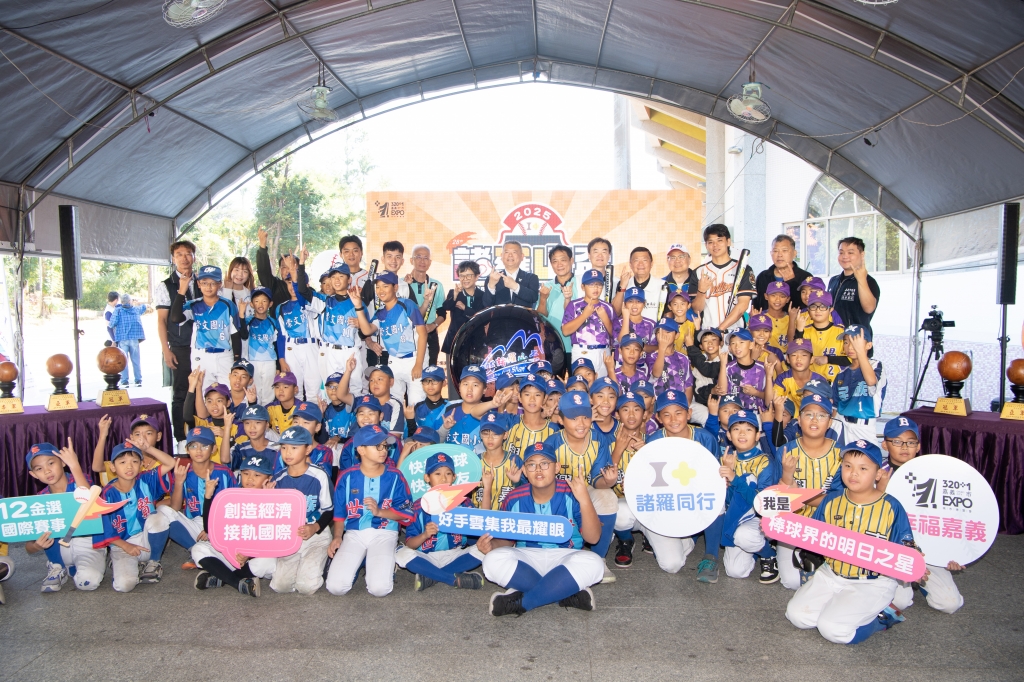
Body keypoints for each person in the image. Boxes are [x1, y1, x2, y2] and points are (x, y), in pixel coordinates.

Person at [785, 440, 916, 644]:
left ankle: (883, 618)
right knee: (798, 617)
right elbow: (813, 534)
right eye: (848, 466)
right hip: (832, 573)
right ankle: (842, 605)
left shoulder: (891, 506)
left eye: (863, 468)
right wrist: (779, 525)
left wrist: (915, 561)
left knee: (833, 630)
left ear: (878, 474)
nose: (853, 473)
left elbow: (905, 545)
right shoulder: (831, 500)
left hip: (872, 581)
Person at [480, 440, 605, 616]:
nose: (538, 469)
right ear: (524, 471)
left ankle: (523, 602)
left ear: (557, 467)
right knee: (491, 560)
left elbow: (593, 538)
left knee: (595, 563)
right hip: (527, 558)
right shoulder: (514, 498)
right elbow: (507, 540)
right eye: (531, 465)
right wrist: (491, 546)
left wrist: (584, 499)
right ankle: (563, 592)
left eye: (545, 463)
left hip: (566, 556)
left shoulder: (572, 493)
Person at [880, 416, 965, 615]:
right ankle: (904, 580)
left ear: (918, 446)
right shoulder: (877, 473)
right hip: (894, 548)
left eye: (911, 442)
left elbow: (949, 516)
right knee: (899, 601)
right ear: (885, 445)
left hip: (928, 547)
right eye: (897, 441)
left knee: (950, 604)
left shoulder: (933, 474)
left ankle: (922, 579)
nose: (904, 447)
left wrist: (954, 551)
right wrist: (880, 491)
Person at [326, 424, 415, 597]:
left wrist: (380, 512)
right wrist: (337, 537)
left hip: (385, 532)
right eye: (377, 446)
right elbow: (339, 513)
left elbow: (407, 512)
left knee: (379, 589)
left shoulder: (395, 476)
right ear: (361, 450)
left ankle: (386, 556)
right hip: (354, 533)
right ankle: (365, 560)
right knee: (336, 587)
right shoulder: (347, 476)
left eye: (385, 446)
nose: (384, 450)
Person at [544, 392, 620, 584]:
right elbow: (543, 484)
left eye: (585, 417)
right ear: (561, 420)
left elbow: (597, 480)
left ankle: (599, 558)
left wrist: (608, 482)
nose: (581, 423)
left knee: (607, 496)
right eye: (573, 418)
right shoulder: (552, 443)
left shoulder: (598, 439)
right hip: (559, 496)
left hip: (586, 492)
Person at [776, 394, 842, 590]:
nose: (814, 420)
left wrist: (800, 495)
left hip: (830, 526)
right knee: (792, 581)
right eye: (809, 414)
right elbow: (777, 498)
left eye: (821, 415)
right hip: (793, 524)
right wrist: (787, 476)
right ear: (799, 420)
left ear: (830, 422)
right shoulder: (785, 450)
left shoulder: (842, 454)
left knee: (835, 578)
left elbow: (840, 501)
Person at [93, 438, 177, 592]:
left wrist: (148, 448)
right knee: (124, 585)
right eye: (122, 462)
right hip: (122, 544)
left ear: (141, 463)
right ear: (112, 467)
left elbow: (170, 463)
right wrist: (125, 545)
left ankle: (154, 562)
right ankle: (122, 563)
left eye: (134, 461)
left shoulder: (145, 479)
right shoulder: (107, 493)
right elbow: (103, 526)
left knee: (159, 516)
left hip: (147, 539)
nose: (129, 466)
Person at [190, 450, 276, 597]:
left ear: (268, 478)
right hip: (232, 552)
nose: (250, 479)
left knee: (269, 562)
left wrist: (249, 553)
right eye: (246, 473)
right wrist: (208, 496)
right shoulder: (231, 497)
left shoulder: (274, 498)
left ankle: (221, 577)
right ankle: (238, 583)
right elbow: (209, 529)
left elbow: (271, 537)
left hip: (255, 555)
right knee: (199, 549)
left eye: (257, 475)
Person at [395, 452, 485, 591]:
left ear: (454, 477)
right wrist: (425, 535)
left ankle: (431, 576)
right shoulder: (418, 506)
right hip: (426, 557)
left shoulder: (464, 503)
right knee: (401, 553)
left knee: (484, 549)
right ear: (427, 477)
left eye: (448, 473)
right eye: (437, 474)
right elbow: (410, 544)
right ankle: (452, 579)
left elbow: (479, 529)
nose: (443, 478)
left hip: (455, 554)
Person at [24, 441, 104, 592]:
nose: (47, 471)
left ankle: (77, 566)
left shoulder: (79, 480)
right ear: (33, 475)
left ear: (62, 462)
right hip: (60, 548)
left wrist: (75, 466)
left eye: (51, 463)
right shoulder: (40, 500)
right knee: (50, 526)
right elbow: (29, 546)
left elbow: (91, 503)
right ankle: (58, 566)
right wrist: (36, 546)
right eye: (39, 469)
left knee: (87, 582)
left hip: (87, 542)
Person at [270, 426, 334, 595]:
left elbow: (329, 510)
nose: (287, 452)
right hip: (290, 535)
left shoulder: (319, 475)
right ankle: (303, 565)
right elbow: (274, 516)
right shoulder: (278, 478)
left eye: (294, 447)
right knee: (281, 586)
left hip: (316, 534)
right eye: (284, 447)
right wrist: (267, 498)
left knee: (306, 587)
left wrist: (315, 527)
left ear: (308, 449)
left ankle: (323, 562)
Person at [719, 410, 780, 583]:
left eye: (748, 429)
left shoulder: (765, 461)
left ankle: (768, 554)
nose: (742, 434)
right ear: (729, 435)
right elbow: (727, 501)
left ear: (758, 435)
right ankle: (755, 547)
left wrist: (734, 479)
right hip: (735, 516)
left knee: (743, 536)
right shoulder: (725, 460)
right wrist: (727, 484)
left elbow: (762, 505)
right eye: (736, 429)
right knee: (735, 571)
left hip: (759, 517)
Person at [350, 271, 427, 409]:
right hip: (394, 360)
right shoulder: (380, 312)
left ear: (395, 287)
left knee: (416, 403)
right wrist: (358, 306)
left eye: (385, 286)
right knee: (394, 402)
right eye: (378, 287)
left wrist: (419, 363)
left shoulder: (407, 304)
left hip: (414, 358)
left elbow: (423, 334)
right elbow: (367, 330)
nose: (381, 290)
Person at [160, 426, 237, 555]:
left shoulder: (224, 473)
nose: (198, 450)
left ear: (214, 449)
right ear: (187, 449)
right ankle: (194, 548)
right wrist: (179, 482)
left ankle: (206, 550)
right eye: (193, 446)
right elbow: (175, 507)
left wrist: (214, 527)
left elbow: (235, 506)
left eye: (204, 446)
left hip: (221, 523)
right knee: (163, 511)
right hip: (195, 524)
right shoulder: (183, 472)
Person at [155, 240, 200, 449]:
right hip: (180, 346)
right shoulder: (166, 285)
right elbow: (162, 321)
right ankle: (181, 438)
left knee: (203, 389)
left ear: (194, 257)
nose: (184, 258)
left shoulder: (203, 282)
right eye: (179, 254)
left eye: (188, 253)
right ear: (173, 259)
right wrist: (166, 350)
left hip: (203, 346)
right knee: (181, 392)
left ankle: (201, 433)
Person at [171, 265, 244, 389]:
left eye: (213, 283)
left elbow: (235, 333)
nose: (208, 287)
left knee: (228, 392)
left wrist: (237, 359)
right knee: (203, 393)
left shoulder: (228, 305)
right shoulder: (194, 305)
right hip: (201, 356)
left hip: (225, 356)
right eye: (204, 283)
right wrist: (182, 290)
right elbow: (175, 318)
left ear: (220, 284)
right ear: (198, 284)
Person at [310, 263, 365, 396]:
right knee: (332, 389)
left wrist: (361, 324)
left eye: (341, 276)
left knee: (355, 389)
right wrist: (300, 267)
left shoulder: (357, 301)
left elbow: (366, 332)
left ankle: (354, 410)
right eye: (333, 277)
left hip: (350, 351)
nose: (337, 280)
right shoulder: (326, 301)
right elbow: (304, 292)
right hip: (331, 351)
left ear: (349, 279)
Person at [693, 224, 756, 332]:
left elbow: (743, 305)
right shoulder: (699, 272)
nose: (715, 245)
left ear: (728, 241)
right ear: (706, 245)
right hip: (708, 334)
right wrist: (701, 291)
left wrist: (720, 329)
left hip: (736, 334)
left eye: (719, 240)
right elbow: (696, 309)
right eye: (710, 242)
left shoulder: (743, 269)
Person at [359, 240, 410, 368]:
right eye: (389, 256)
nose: (393, 261)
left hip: (400, 349)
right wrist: (369, 341)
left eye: (397, 257)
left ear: (402, 261)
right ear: (383, 259)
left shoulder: (405, 286)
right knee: (377, 381)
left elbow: (412, 317)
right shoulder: (372, 283)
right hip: (377, 348)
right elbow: (360, 311)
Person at [833, 325, 884, 443]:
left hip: (863, 425)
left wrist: (861, 352)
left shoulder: (876, 365)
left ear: (868, 345)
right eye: (846, 342)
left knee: (867, 455)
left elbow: (871, 382)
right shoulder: (841, 374)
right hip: (841, 423)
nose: (850, 346)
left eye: (856, 342)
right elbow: (835, 406)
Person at [562, 269, 615, 379]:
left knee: (602, 385)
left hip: (604, 352)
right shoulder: (574, 305)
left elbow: (615, 335)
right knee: (582, 385)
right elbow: (565, 331)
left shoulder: (608, 307)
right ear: (583, 287)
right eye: (591, 285)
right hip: (582, 351)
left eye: (599, 285)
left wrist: (605, 318)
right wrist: (584, 315)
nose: (595, 288)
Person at [245, 286, 288, 404]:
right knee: (254, 389)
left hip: (270, 361)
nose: (260, 304)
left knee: (269, 391)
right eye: (256, 301)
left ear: (270, 304)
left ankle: (268, 412)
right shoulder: (248, 321)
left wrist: (278, 366)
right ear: (251, 304)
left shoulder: (273, 322)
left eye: (264, 301)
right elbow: (242, 335)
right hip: (253, 361)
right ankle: (255, 412)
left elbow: (277, 343)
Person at [404, 245, 446, 366]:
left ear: (430, 262)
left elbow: (442, 313)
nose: (422, 261)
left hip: (430, 335)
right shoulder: (402, 283)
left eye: (426, 258)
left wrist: (434, 325)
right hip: (407, 335)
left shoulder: (436, 285)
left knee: (430, 371)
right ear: (411, 260)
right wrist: (405, 285)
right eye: (418, 257)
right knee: (408, 370)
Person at [793, 291, 847, 382]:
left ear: (830, 310)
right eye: (813, 306)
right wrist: (799, 331)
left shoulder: (841, 332)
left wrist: (828, 359)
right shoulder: (804, 331)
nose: (818, 310)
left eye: (823, 306)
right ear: (808, 310)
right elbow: (795, 356)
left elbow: (851, 359)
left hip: (836, 383)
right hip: (810, 384)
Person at [441, 261, 491, 358]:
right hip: (455, 340)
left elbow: (481, 317)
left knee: (476, 367)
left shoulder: (483, 295)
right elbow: (446, 306)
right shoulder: (454, 293)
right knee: (453, 368)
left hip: (477, 342)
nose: (465, 279)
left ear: (477, 276)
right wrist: (455, 295)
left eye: (468, 275)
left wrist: (465, 308)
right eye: (462, 276)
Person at [538, 245, 579, 365]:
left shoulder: (581, 284)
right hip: (553, 345)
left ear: (571, 260)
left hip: (577, 345)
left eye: (563, 260)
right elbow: (541, 317)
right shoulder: (546, 287)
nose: (559, 264)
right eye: (555, 261)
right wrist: (543, 299)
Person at [828, 236, 880, 328]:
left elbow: (869, 309)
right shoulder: (834, 280)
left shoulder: (869, 281)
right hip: (833, 335)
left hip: (855, 335)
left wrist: (861, 280)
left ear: (862, 255)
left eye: (850, 252)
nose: (845, 256)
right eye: (841, 252)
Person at [476, 411, 524, 510]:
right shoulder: (475, 461)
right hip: (476, 517)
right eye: (485, 433)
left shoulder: (514, 461)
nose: (490, 438)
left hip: (507, 517)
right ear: (480, 435)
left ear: (505, 435)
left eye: (495, 434)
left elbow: (527, 492)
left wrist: (517, 483)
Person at [503, 374, 558, 459]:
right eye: (527, 394)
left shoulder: (554, 430)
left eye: (537, 395)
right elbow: (479, 416)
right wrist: (493, 404)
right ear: (519, 397)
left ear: (545, 398)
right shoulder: (510, 421)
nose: (532, 399)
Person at [752, 235, 811, 313]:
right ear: (771, 253)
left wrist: (792, 283)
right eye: (775, 251)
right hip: (765, 320)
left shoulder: (805, 277)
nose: (779, 255)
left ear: (794, 253)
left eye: (784, 250)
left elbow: (808, 306)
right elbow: (755, 306)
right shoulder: (763, 276)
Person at [255, 227, 309, 309]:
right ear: (279, 269)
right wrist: (262, 246)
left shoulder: (307, 289)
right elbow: (263, 271)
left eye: (291, 266)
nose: (288, 270)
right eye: (284, 267)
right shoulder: (274, 285)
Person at [108, 293, 147, 387]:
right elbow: (143, 308)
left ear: (121, 302)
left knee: (123, 360)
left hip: (122, 339)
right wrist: (146, 305)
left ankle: (124, 380)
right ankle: (138, 380)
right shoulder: (136, 309)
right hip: (134, 338)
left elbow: (111, 324)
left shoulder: (118, 311)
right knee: (136, 360)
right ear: (129, 301)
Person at [612, 247, 660, 320]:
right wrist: (622, 286)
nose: (640, 264)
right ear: (630, 264)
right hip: (628, 327)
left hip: (654, 327)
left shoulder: (662, 285)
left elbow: (667, 314)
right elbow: (615, 313)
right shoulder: (623, 283)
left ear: (651, 263)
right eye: (636, 260)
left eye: (644, 260)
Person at [487, 241, 540, 307]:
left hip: (522, 314)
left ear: (522, 256)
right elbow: (486, 304)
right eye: (506, 252)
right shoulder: (493, 278)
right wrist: (491, 285)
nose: (510, 255)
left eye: (514, 252)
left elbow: (533, 298)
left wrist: (515, 286)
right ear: (501, 256)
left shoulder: (531, 277)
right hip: (500, 314)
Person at [662, 243, 699, 315]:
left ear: (689, 259)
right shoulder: (661, 284)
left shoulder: (699, 282)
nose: (677, 261)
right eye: (672, 257)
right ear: (667, 261)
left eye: (681, 256)